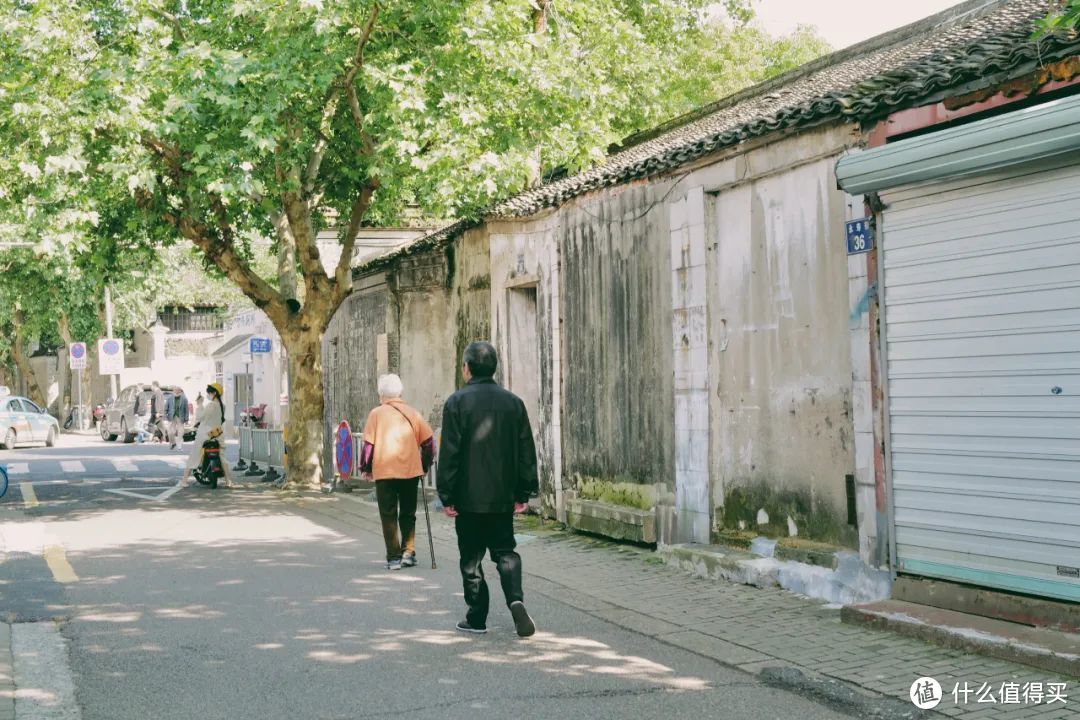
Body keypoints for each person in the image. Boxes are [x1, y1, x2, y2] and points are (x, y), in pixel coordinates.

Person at [437, 341, 538, 637]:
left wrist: (447, 495)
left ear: (467, 367)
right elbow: (525, 451)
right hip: (502, 498)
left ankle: (477, 616)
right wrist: (524, 492)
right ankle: (516, 600)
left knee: (471, 557)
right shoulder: (513, 403)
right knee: (505, 551)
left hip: (468, 499)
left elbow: (450, 453)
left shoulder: (456, 402)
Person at [359, 374, 435, 571]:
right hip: (410, 471)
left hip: (385, 471)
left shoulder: (376, 414)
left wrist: (366, 468)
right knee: (408, 512)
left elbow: (368, 446)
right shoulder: (413, 413)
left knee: (388, 514)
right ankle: (408, 553)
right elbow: (429, 443)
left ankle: (393, 558)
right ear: (400, 392)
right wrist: (424, 466)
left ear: (381, 394)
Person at [182, 383, 232, 487]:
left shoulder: (211, 405)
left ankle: (184, 481)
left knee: (194, 455)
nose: (208, 395)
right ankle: (228, 481)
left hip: (206, 433)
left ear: (214, 393)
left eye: (209, 393)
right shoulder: (223, 406)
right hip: (218, 432)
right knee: (222, 456)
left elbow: (201, 417)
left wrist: (199, 404)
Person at [167, 386, 189, 451]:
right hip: (172, 417)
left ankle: (179, 446)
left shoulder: (184, 399)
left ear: (180, 391)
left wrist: (186, 419)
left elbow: (186, 409)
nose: (176, 392)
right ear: (173, 391)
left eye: (178, 390)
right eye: (175, 390)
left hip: (181, 417)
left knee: (180, 432)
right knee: (170, 432)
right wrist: (165, 416)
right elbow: (166, 407)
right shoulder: (169, 398)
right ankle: (173, 443)